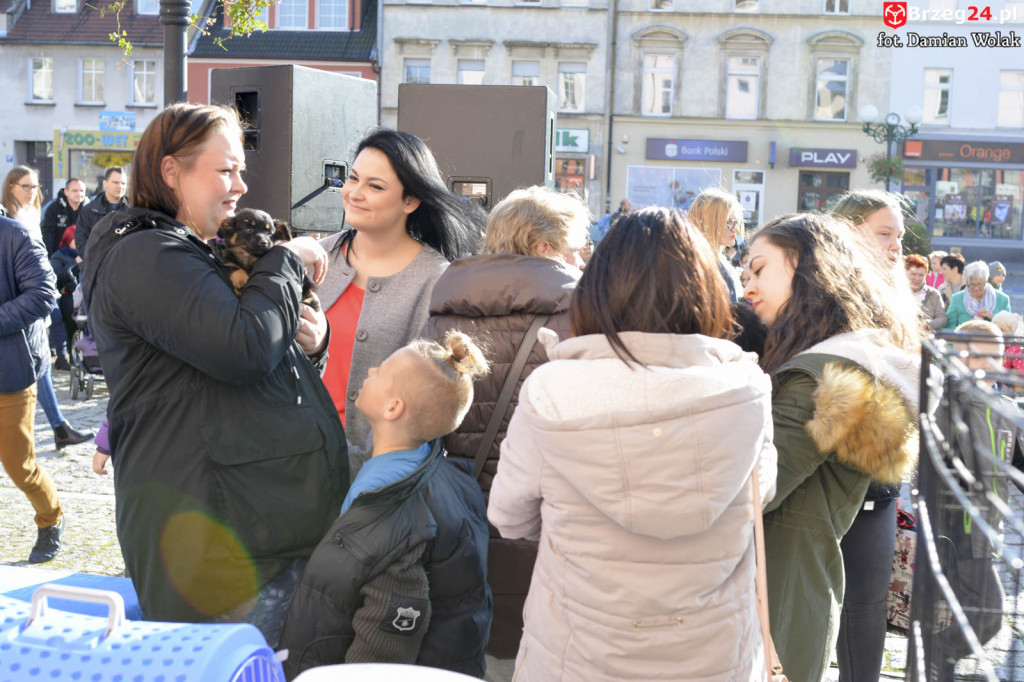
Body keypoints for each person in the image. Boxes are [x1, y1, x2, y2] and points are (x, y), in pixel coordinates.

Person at [80, 103, 348, 642]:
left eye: (242, 170)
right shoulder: (147, 255)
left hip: (254, 532)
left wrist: (308, 345)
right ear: (171, 171)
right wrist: (286, 260)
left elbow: (244, 360)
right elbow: (242, 349)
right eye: (226, 170)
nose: (241, 185)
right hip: (222, 552)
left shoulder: (188, 249)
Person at [488, 208, 777, 680]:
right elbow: (756, 501)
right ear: (706, 293)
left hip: (576, 655)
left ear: (595, 291)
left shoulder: (552, 391)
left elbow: (508, 518)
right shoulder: (745, 391)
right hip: (714, 656)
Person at [743, 213, 920, 682]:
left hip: (775, 596)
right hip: (794, 586)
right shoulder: (838, 361)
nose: (747, 287)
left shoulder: (819, 378)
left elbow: (749, 490)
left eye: (759, 270)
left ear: (802, 270)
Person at [422, 185, 587, 660]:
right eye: (575, 247)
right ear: (544, 247)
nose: (581, 259)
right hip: (542, 515)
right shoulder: (576, 312)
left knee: (471, 644)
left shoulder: (445, 303)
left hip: (454, 512)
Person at [279, 332, 493, 678]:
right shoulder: (432, 467)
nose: (370, 371)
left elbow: (385, 641)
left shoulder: (391, 510)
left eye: (380, 372)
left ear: (393, 408)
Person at [318, 128, 482, 477]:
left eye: (375, 187)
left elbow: (431, 395)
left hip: (377, 477)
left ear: (411, 201)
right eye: (353, 179)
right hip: (294, 460)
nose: (354, 194)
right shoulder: (314, 258)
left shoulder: (437, 278)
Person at [831, 189, 922, 682]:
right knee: (807, 601)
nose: (894, 247)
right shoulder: (822, 295)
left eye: (899, 236)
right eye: (884, 234)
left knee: (866, 607)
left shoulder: (896, 300)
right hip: (820, 477)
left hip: (877, 482)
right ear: (848, 232)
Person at [3, 166, 94, 450]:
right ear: (10, 187)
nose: (32, 193)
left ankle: (58, 427)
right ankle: (56, 427)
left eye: (35, 187)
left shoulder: (33, 214)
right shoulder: (10, 217)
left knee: (39, 362)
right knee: (35, 363)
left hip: (32, 302)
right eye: (25, 187)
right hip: (18, 307)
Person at [0, 213, 67, 563]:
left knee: (19, 465)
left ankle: (51, 518)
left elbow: (43, 294)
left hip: (9, 371)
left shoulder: (15, 234)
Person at [688, 188, 744, 302]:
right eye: (729, 222)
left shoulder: (689, 261)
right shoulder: (712, 269)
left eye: (736, 222)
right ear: (710, 223)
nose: (736, 229)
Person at [76, 165, 128, 262]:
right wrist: (97, 260)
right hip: (97, 269)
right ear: (105, 183)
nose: (120, 186)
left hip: (126, 267)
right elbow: (81, 242)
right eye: (115, 182)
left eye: (123, 183)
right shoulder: (89, 210)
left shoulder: (133, 209)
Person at [946, 260, 1011, 329]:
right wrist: (965, 327)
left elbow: (1008, 328)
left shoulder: (1003, 299)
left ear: (986, 281)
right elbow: (949, 327)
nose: (976, 288)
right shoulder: (957, 299)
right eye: (972, 284)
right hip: (964, 339)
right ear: (966, 283)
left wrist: (993, 318)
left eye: (980, 284)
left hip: (992, 339)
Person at [41, 178, 88, 257]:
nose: (79, 194)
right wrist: (49, 256)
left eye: (82, 191)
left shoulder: (90, 210)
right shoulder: (54, 208)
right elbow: (47, 234)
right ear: (66, 192)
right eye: (75, 191)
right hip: (59, 258)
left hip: (83, 258)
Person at [906, 254, 947, 331]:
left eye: (921, 275)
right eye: (913, 274)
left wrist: (927, 323)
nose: (917, 278)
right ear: (906, 273)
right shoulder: (896, 292)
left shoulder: (933, 294)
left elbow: (942, 318)